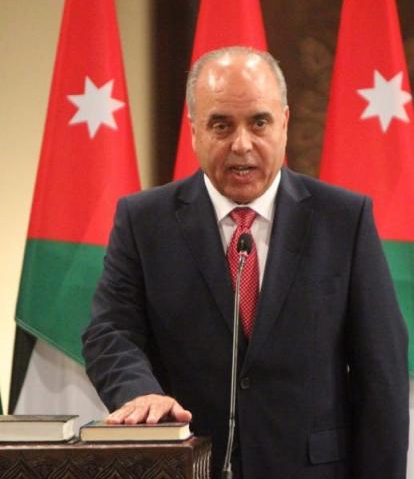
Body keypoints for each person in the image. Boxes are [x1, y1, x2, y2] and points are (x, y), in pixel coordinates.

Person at [82, 46, 409, 479]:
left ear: (284, 123)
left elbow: (382, 372)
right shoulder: (144, 221)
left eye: (259, 122)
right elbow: (110, 332)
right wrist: (140, 393)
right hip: (191, 466)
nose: (242, 144)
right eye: (221, 125)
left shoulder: (343, 219)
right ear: (194, 130)